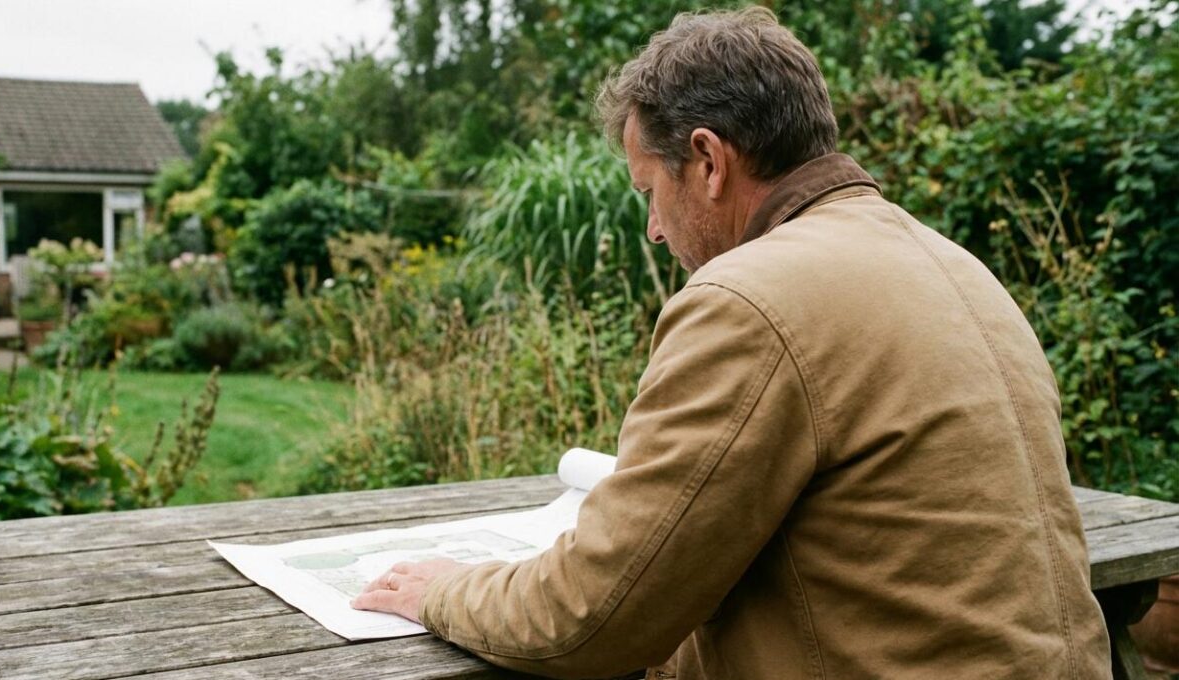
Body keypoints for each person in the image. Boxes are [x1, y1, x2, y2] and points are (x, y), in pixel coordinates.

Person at [353, 7, 1111, 679]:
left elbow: (592, 616)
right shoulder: (955, 266)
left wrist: (444, 590)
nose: (653, 228)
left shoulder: (749, 298)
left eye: (650, 191)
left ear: (710, 162)